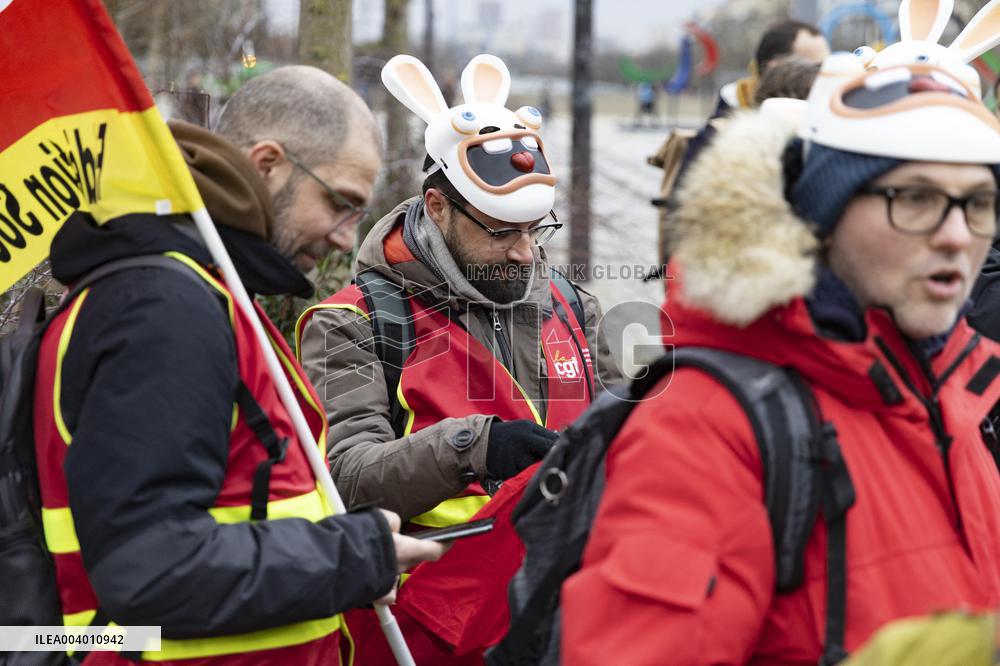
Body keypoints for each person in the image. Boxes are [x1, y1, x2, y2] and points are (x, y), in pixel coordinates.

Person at [562, 48, 1000, 664]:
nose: (957, 234)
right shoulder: (703, 426)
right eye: (916, 198)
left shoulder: (958, 393)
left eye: (979, 202)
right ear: (826, 214)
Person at [32, 65, 445, 664]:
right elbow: (150, 570)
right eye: (341, 204)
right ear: (268, 163)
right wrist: (351, 557)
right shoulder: (165, 307)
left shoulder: (205, 293)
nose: (343, 239)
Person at [296, 54, 621, 660]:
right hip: (422, 634)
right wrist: (473, 448)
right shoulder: (353, 321)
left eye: (537, 229)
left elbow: (627, 444)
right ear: (438, 207)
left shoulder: (576, 307)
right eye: (501, 232)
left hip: (565, 621)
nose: (526, 255)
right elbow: (342, 484)